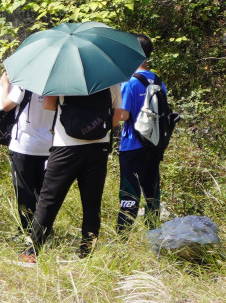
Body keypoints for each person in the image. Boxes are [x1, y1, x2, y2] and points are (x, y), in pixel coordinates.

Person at [24, 83, 127, 261]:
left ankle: (31, 253)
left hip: (66, 146)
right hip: (98, 148)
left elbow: (47, 105)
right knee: (92, 204)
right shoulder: (110, 80)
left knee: (48, 200)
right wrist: (95, 126)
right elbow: (117, 118)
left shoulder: (63, 77)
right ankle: (87, 254)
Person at [117, 36, 166, 231]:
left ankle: (123, 234)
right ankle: (154, 231)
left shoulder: (129, 82)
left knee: (129, 191)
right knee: (152, 191)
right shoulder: (158, 81)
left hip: (131, 145)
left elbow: (123, 116)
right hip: (153, 144)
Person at [0, 69, 52, 234]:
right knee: (44, 192)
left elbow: (6, 105)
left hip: (23, 145)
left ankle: (27, 232)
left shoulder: (26, 82)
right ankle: (43, 232)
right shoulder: (56, 84)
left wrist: (5, 86)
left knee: (24, 192)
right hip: (48, 145)